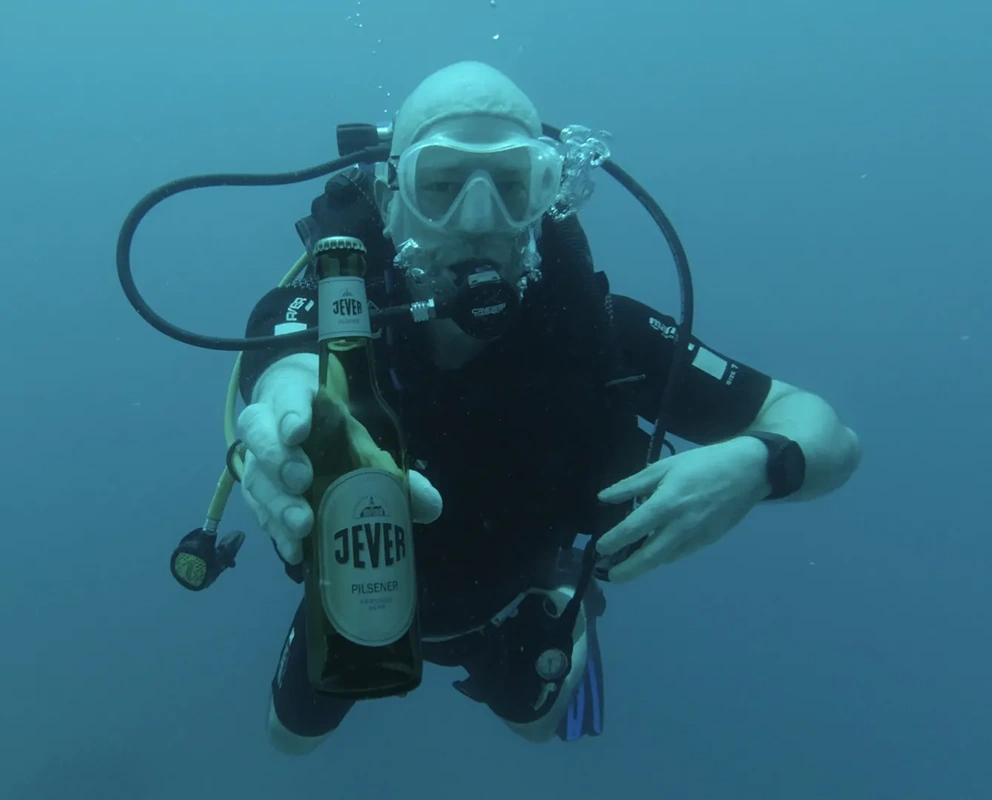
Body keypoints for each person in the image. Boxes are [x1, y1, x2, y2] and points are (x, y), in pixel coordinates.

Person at [234, 60, 862, 755]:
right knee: (286, 739)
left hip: (512, 594)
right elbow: (283, 366)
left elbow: (830, 436)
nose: (477, 222)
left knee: (533, 728)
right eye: (440, 185)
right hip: (357, 588)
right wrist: (285, 415)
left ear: (548, 199)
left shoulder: (605, 336)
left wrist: (758, 465)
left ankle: (561, 605)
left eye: (511, 186)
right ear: (390, 198)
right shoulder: (337, 322)